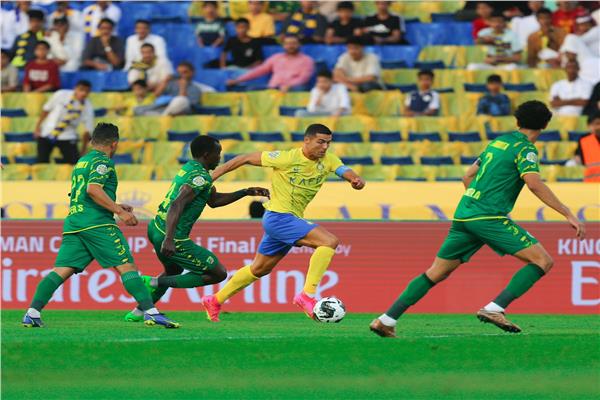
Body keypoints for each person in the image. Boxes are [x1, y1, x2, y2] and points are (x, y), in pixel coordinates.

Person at [370, 100, 586, 338]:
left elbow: (467, 176)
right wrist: (567, 212)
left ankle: (386, 320)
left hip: (465, 214)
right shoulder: (526, 149)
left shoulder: (498, 142)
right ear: (546, 124)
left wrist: (477, 203)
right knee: (542, 261)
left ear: (517, 121)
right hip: (488, 216)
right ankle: (495, 308)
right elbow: (534, 184)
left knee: (436, 272)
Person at [201, 123, 366, 322]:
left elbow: (343, 169)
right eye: (320, 142)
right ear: (307, 140)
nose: (324, 147)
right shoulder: (286, 158)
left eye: (328, 143)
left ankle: (215, 300)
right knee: (328, 242)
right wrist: (213, 175)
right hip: (279, 217)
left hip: (285, 220)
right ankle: (307, 295)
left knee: (259, 269)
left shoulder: (329, 160)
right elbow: (245, 158)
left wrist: (355, 179)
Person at [22, 122, 179, 329]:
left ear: (91, 141)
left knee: (62, 270)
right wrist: (119, 211)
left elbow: (82, 192)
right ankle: (151, 313)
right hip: (96, 224)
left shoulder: (82, 161)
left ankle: (32, 313)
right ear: (114, 144)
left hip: (74, 223)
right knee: (126, 267)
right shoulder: (102, 161)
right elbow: (93, 189)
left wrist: (114, 204)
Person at [123, 136, 270, 323]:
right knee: (218, 272)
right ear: (207, 154)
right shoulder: (200, 178)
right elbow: (177, 204)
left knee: (173, 270)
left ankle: (138, 311)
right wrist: (169, 239)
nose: (220, 158)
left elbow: (214, 201)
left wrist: (245, 192)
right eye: (218, 154)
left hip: (155, 227)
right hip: (171, 234)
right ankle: (151, 282)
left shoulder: (192, 169)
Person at [34, 80, 94, 164]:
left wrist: (83, 149)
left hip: (67, 135)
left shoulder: (88, 106)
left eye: (87, 91)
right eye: (81, 89)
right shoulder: (61, 94)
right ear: (75, 88)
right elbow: (46, 110)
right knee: (42, 163)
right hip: (47, 132)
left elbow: (88, 130)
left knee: (74, 164)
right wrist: (37, 128)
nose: (83, 93)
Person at [227, 35, 314, 92]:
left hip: (293, 88)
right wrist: (238, 80)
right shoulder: (276, 57)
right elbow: (259, 71)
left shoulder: (307, 60)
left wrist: (289, 86)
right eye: (287, 44)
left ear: (299, 45)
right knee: (251, 89)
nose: (290, 46)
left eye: (293, 43)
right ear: (283, 46)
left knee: (299, 88)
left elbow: (303, 78)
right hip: (273, 88)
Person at [148, 61, 214, 116]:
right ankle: (163, 116)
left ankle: (163, 118)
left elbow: (188, 107)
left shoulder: (196, 89)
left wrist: (183, 88)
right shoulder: (172, 84)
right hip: (165, 109)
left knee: (181, 100)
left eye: (185, 72)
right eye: (180, 73)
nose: (182, 75)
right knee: (139, 110)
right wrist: (165, 81)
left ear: (192, 73)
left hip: (183, 115)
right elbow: (156, 95)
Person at [572, 112, 600, 182]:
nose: (599, 127)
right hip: (590, 184)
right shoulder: (584, 140)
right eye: (596, 124)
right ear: (588, 126)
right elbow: (579, 159)